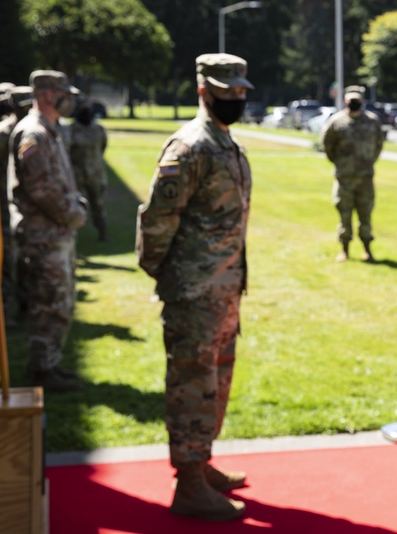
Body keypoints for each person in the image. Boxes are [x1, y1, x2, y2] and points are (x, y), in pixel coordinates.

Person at [136, 53, 253, 522]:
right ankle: (187, 483)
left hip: (223, 289)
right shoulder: (189, 147)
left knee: (215, 381)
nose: (236, 100)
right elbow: (158, 221)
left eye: (241, 93)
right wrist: (171, 277)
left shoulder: (224, 142)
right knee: (192, 383)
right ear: (203, 90)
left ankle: (200, 464)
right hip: (193, 294)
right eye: (227, 93)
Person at [8, 70, 87, 392]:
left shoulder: (49, 130)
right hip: (43, 236)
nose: (68, 99)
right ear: (45, 95)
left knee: (60, 302)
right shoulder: (32, 134)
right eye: (62, 93)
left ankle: (50, 362)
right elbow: (41, 189)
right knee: (48, 303)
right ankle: (42, 370)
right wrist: (75, 214)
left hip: (56, 234)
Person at [320, 85, 384, 262]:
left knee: (366, 215)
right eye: (351, 101)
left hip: (365, 178)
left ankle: (367, 249)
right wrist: (340, 163)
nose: (354, 103)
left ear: (362, 101)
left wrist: (369, 161)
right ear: (345, 101)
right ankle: (345, 249)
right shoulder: (336, 122)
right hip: (344, 178)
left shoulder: (372, 121)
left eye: (357, 100)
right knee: (344, 214)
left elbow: (379, 145)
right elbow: (327, 145)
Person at [0, 84, 31, 326]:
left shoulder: (29, 132)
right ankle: (5, 313)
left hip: (28, 208)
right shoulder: (0, 134)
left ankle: (26, 307)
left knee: (27, 261)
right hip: (3, 209)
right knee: (7, 264)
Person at [69, 101, 109, 242]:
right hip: (77, 175)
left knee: (98, 206)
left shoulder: (98, 129)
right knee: (75, 207)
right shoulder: (71, 130)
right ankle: (73, 237)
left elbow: (103, 146)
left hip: (96, 175)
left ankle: (103, 234)